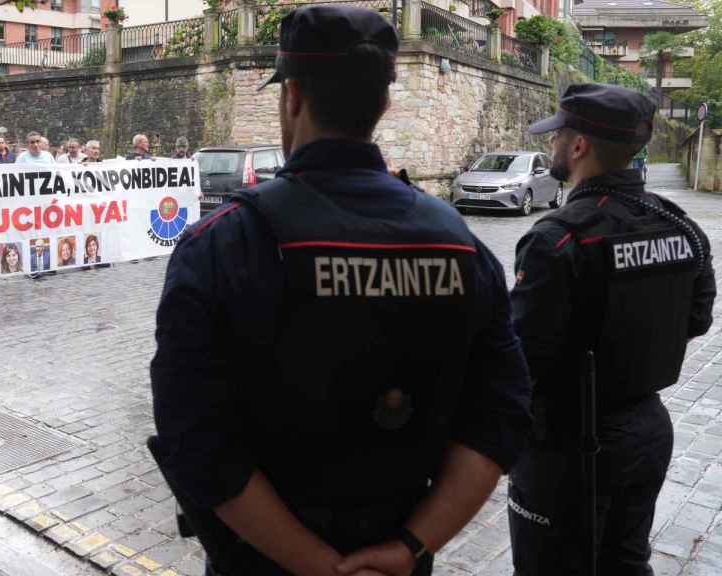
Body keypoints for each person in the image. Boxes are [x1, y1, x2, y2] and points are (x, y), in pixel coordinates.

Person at [148, 7, 532, 576]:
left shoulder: (222, 244)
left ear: (293, 95)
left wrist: (321, 566)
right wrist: (408, 547)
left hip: (263, 562)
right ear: (383, 104)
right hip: (395, 554)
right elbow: (500, 420)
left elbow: (197, 443)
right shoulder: (462, 247)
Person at [508, 84, 717, 575]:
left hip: (568, 442)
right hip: (646, 429)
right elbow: (698, 318)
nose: (551, 145)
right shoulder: (681, 226)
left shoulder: (558, 238)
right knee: (626, 560)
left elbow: (523, 359)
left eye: (557, 136)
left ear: (578, 146)